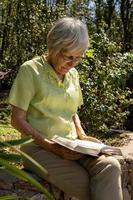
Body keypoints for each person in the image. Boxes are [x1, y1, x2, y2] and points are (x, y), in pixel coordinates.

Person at [9, 17, 123, 200]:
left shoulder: (73, 74)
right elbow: (16, 119)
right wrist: (51, 146)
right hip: (38, 149)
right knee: (90, 184)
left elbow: (72, 111)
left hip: (72, 146)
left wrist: (82, 135)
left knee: (111, 166)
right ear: (54, 46)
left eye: (78, 58)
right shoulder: (30, 71)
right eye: (68, 57)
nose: (72, 64)